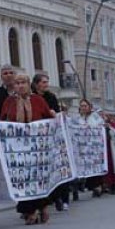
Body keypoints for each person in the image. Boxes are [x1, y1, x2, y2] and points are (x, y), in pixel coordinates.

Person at [0, 74, 55, 224]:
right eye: (17, 83)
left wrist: (54, 117)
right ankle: (29, 210)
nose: (20, 86)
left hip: (37, 149)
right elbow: (3, 120)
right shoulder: (9, 101)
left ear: (29, 84)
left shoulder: (38, 100)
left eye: (23, 82)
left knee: (37, 178)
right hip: (18, 150)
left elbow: (48, 118)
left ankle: (40, 208)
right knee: (23, 179)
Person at [31, 73, 71, 211]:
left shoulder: (51, 97)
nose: (46, 85)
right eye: (43, 82)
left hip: (50, 136)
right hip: (37, 137)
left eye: (47, 82)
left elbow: (56, 115)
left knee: (56, 166)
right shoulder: (31, 96)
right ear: (36, 84)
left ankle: (60, 197)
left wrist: (55, 114)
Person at [75, 99, 105, 197]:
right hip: (85, 148)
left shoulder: (95, 116)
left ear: (89, 107)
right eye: (82, 106)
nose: (83, 108)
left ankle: (98, 186)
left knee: (96, 167)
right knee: (88, 168)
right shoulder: (79, 118)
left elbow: (100, 126)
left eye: (85, 106)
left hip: (95, 147)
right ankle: (93, 187)